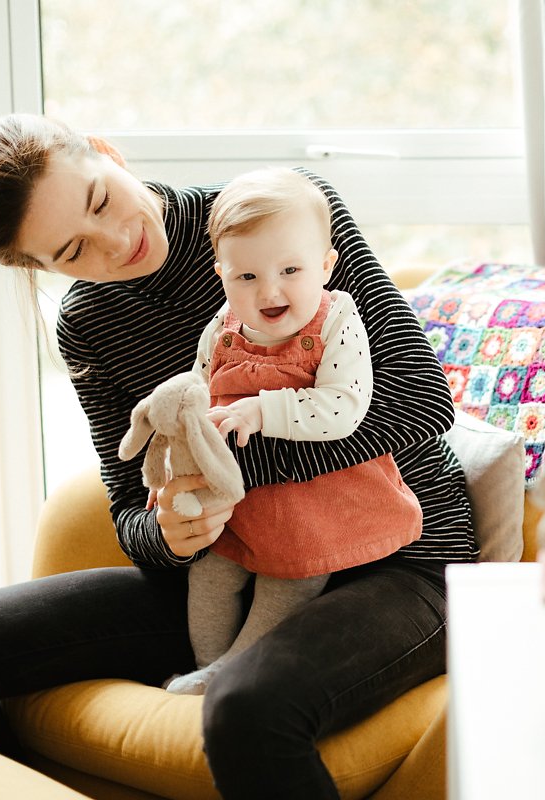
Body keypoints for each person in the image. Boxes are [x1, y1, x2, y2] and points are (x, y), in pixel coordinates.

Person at [0, 113, 477, 799]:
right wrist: (166, 532)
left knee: (246, 710)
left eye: (101, 200)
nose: (116, 241)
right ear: (40, 269)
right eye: (73, 252)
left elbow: (422, 401)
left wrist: (228, 474)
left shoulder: (280, 213)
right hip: (241, 569)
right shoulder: (90, 325)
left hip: (399, 564)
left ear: (105, 152)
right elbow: (131, 509)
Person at [163, 167, 423, 695]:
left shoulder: (336, 322)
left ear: (325, 265)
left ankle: (232, 669)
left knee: (286, 579)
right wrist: (181, 432)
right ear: (222, 275)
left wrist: (262, 412)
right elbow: (199, 388)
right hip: (239, 504)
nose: (270, 290)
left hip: (316, 502)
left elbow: (344, 406)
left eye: (290, 269)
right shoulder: (221, 327)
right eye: (247, 277)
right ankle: (208, 665)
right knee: (210, 574)